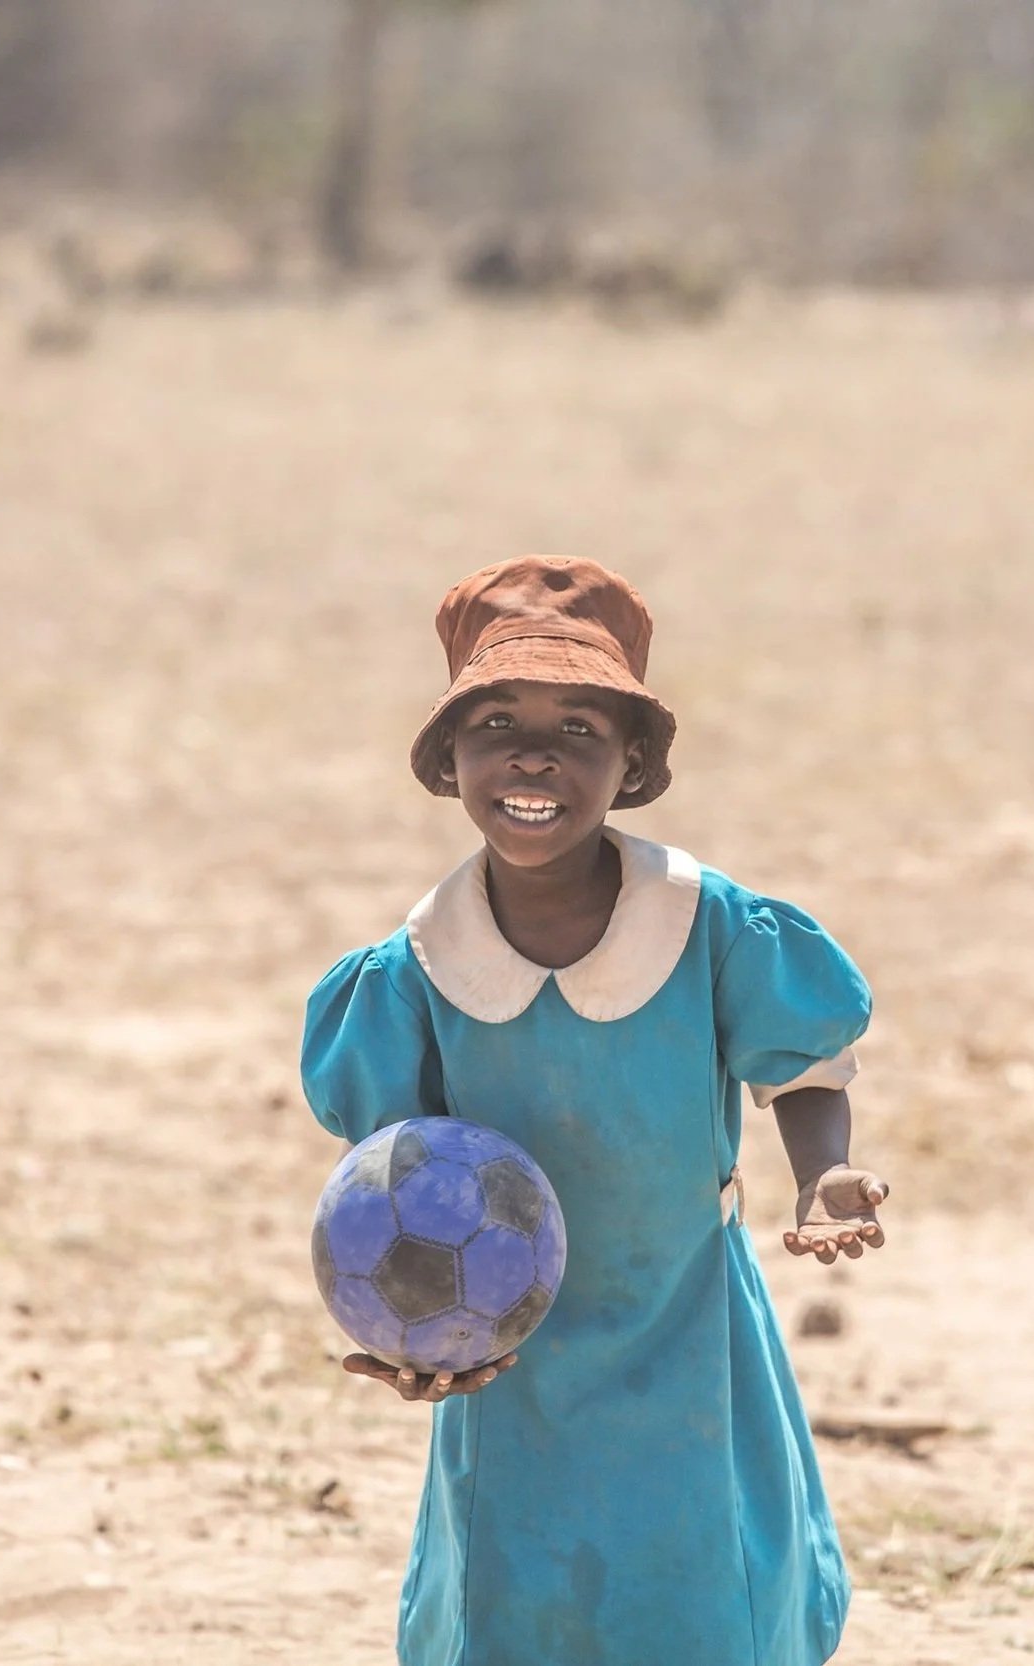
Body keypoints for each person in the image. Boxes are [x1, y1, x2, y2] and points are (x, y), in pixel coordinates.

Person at [300, 555, 889, 1666]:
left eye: (578, 728)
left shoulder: (708, 926)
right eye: (495, 723)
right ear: (446, 760)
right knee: (515, 1599)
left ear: (633, 764)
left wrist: (823, 1174)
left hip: (684, 1324)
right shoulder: (414, 973)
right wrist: (411, 1333)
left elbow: (805, 1065)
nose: (533, 754)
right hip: (507, 1359)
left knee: (701, 1586)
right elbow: (392, 1181)